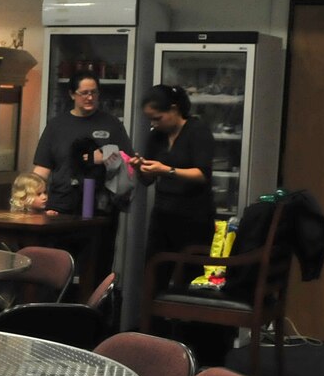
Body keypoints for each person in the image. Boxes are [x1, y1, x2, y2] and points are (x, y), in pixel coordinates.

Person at [134, 85, 217, 293]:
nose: (154, 124)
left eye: (158, 118)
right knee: (154, 279)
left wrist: (167, 170)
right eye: (150, 119)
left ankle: (183, 324)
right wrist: (141, 169)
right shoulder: (156, 137)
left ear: (174, 109)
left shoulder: (197, 131)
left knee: (188, 281)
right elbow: (147, 181)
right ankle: (152, 324)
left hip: (194, 218)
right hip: (163, 216)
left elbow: (202, 174)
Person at [31, 71, 132, 217]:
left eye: (94, 92)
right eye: (84, 93)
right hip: (62, 204)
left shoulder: (112, 124)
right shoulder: (56, 126)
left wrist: (104, 157)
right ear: (72, 94)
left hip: (100, 205)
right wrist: (30, 195)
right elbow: (42, 169)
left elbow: (128, 160)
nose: (90, 97)